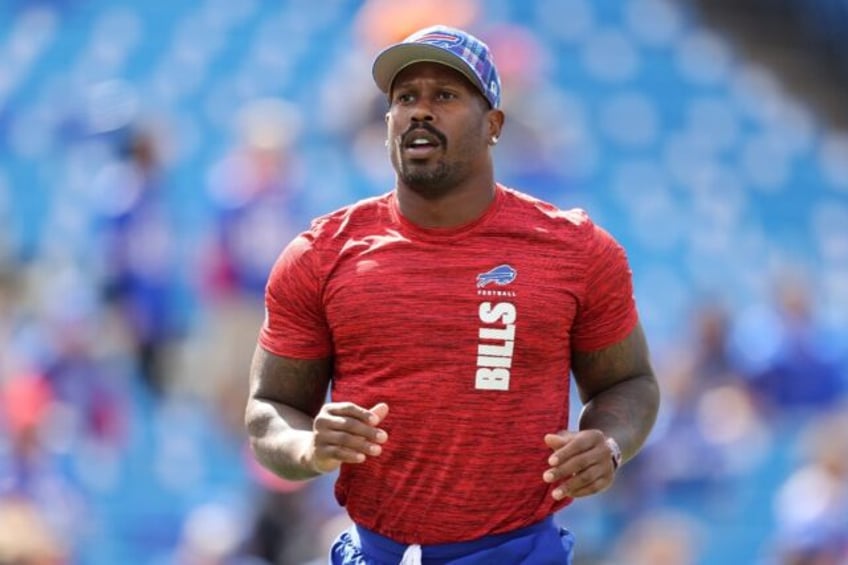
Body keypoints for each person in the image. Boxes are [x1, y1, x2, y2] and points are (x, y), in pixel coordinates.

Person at [245, 24, 660, 564]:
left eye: (444, 95)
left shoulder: (574, 249)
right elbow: (270, 409)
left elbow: (630, 381)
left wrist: (608, 442)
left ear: (493, 125)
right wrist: (308, 446)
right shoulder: (322, 254)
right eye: (404, 98)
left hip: (519, 552)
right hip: (375, 552)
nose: (420, 111)